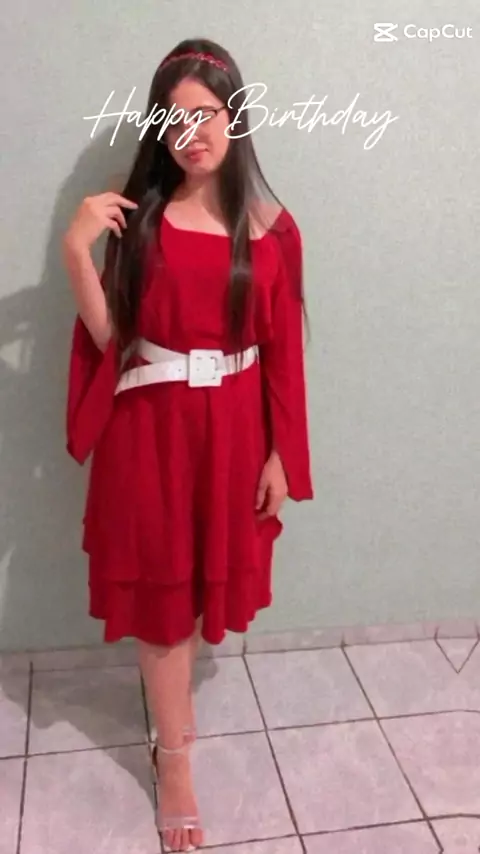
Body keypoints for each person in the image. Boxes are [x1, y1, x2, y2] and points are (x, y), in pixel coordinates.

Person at [62, 36, 313, 853]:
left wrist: (282, 454)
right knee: (165, 606)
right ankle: (173, 759)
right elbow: (111, 339)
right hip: (152, 435)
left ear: (235, 117)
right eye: (172, 119)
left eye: (204, 114)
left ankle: (172, 724)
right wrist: (75, 252)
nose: (189, 134)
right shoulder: (139, 222)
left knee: (204, 596)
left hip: (234, 435)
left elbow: (284, 352)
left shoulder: (273, 232)